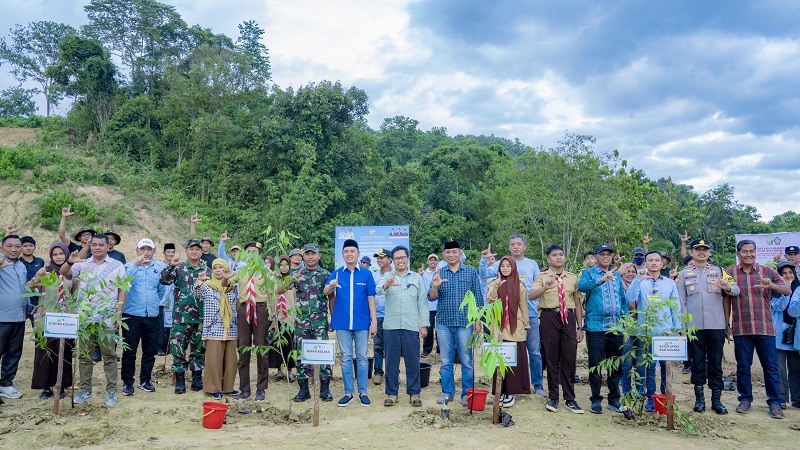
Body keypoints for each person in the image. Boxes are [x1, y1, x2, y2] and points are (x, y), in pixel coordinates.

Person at [727, 239, 791, 419]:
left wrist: (772, 286)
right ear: (738, 253)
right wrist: (727, 324)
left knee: (770, 367)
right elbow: (726, 299)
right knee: (743, 367)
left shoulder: (767, 271)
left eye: (751, 251)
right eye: (744, 251)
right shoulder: (729, 273)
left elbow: (787, 290)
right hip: (741, 328)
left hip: (765, 328)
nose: (748, 254)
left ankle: (775, 403)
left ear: (755, 252)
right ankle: (745, 400)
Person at [61, 233, 127, 407]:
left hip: (107, 318)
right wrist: (70, 261)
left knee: (110, 356)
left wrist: (118, 313)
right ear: (90, 246)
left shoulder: (117, 265)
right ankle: (85, 391)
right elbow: (64, 273)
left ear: (108, 246)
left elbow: (122, 290)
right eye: (94, 245)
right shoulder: (82, 264)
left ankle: (111, 392)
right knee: (84, 356)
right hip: (86, 318)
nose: (97, 247)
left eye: (101, 245)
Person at [677, 239, 737, 414]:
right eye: (698, 250)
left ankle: (716, 400)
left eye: (705, 250)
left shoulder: (719, 271)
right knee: (697, 363)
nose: (702, 253)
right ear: (692, 252)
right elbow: (681, 301)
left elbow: (736, 289)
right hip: (694, 326)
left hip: (716, 324)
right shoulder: (684, 273)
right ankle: (700, 400)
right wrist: (684, 326)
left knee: (716, 362)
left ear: (709, 253)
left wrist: (728, 287)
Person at [480, 234, 543, 396]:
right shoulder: (501, 263)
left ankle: (537, 384)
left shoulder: (532, 264)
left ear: (525, 247)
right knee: (507, 352)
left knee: (533, 351)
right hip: (504, 319)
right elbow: (484, 275)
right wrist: (483, 260)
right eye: (512, 244)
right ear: (509, 247)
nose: (516, 246)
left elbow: (538, 284)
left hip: (528, 314)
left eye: (519, 244)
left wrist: (538, 310)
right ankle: (505, 388)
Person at [430, 240, 485, 407]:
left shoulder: (470, 272)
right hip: (443, 323)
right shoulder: (440, 273)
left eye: (455, 252)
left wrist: (478, 321)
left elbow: (478, 297)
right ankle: (448, 392)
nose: (451, 255)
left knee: (466, 361)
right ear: (443, 255)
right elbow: (432, 297)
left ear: (460, 254)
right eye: (448, 252)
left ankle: (467, 394)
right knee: (446, 361)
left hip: (465, 323)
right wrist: (435, 286)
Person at [626, 250, 682, 412]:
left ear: (662, 263)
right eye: (650, 260)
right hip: (646, 332)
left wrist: (677, 329)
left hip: (665, 332)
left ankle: (665, 397)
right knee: (649, 366)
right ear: (645, 263)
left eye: (657, 260)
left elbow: (675, 307)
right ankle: (650, 398)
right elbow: (630, 299)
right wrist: (638, 279)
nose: (654, 263)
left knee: (666, 366)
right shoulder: (641, 281)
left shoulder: (670, 283)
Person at [530, 245, 583, 413]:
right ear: (548, 259)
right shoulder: (542, 276)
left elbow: (578, 302)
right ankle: (553, 397)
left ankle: (570, 398)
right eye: (554, 255)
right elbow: (531, 296)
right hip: (549, 316)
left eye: (561, 254)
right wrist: (545, 287)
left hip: (568, 316)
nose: (558, 257)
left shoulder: (572, 278)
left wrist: (580, 327)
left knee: (569, 358)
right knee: (552, 358)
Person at [325, 240, 377, 407]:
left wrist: (374, 321)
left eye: (352, 251)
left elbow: (371, 298)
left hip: (362, 322)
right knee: (346, 358)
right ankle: (348, 393)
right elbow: (326, 292)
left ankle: (363, 392)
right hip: (342, 323)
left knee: (362, 357)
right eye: (346, 251)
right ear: (342, 254)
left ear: (358, 254)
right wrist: (331, 286)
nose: (349, 254)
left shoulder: (366, 274)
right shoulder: (337, 273)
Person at [578, 243, 628, 414]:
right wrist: (601, 279)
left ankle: (614, 400)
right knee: (596, 364)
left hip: (615, 328)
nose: (605, 257)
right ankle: (596, 400)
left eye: (608, 254)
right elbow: (582, 287)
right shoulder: (589, 273)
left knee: (615, 364)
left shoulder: (617, 276)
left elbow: (622, 298)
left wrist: (625, 319)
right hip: (596, 327)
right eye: (602, 254)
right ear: (596, 256)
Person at [378, 245, 429, 407]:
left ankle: (414, 393)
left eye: (403, 257)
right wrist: (387, 285)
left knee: (413, 360)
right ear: (392, 260)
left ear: (407, 259)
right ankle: (392, 393)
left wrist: (424, 325)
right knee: (391, 362)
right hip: (391, 326)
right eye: (397, 258)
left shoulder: (416, 278)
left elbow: (422, 302)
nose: (400, 260)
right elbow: (377, 290)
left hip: (411, 325)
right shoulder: (387, 276)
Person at [281, 244, 332, 403]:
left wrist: (333, 318)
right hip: (301, 323)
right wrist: (291, 281)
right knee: (301, 355)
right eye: (307, 254)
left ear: (319, 255)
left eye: (313, 254)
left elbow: (331, 297)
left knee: (323, 353)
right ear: (303, 256)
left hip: (320, 322)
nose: (310, 257)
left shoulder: (326, 275)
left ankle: (325, 389)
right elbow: (279, 290)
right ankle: (304, 390)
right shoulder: (297, 274)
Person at [160, 239, 211, 394]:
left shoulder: (207, 270)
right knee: (178, 348)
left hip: (201, 317)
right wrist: (171, 265)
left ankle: (196, 379)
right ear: (187, 251)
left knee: (199, 349)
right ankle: (180, 380)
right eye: (191, 249)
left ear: (201, 251)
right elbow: (164, 280)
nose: (194, 251)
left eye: (197, 249)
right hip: (181, 317)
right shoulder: (180, 267)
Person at [222, 242, 270, 401]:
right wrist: (225, 278)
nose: (250, 254)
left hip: (261, 310)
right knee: (243, 349)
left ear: (260, 255)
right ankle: (244, 389)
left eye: (254, 252)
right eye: (248, 252)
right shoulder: (240, 271)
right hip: (243, 310)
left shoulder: (265, 271)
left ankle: (261, 389)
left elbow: (274, 292)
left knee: (261, 348)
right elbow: (226, 284)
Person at [29, 243, 74, 399]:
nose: (58, 256)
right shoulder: (46, 272)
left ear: (66, 255)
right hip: (46, 320)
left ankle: (60, 385)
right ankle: (46, 386)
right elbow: (29, 287)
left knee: (64, 354)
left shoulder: (72, 273)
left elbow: (75, 296)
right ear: (51, 256)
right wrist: (38, 276)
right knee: (45, 354)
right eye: (55, 254)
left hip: (66, 321)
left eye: (61, 253)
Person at [121, 238, 165, 396]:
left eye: (149, 249)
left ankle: (145, 380)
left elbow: (161, 290)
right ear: (136, 250)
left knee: (150, 351)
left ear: (154, 251)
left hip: (152, 315)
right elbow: (123, 283)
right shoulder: (128, 267)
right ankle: (127, 382)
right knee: (129, 351)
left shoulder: (158, 269)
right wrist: (136, 264)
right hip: (131, 316)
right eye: (142, 249)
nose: (146, 252)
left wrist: (153, 303)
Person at [487, 256, 531, 408]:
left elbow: (523, 306)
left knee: (514, 362)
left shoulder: (520, 285)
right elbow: (490, 299)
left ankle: (511, 393)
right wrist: (497, 285)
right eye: (502, 266)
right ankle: (500, 391)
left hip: (514, 328)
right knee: (500, 360)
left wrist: (525, 324)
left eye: (508, 266)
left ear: (513, 268)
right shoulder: (494, 283)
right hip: (498, 327)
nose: (505, 268)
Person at [195, 259, 238, 400]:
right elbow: (197, 296)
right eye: (215, 268)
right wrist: (199, 282)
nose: (218, 270)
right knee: (213, 361)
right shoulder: (207, 286)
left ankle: (227, 388)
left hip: (230, 328)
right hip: (213, 329)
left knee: (231, 361)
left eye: (221, 267)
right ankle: (214, 388)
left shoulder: (233, 286)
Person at [0, 234, 32, 400]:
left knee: (13, 353)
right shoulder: (1, 261)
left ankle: (6, 384)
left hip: (19, 317)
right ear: (2, 248)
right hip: (2, 318)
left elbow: (23, 288)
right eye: (9, 246)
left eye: (17, 246)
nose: (13, 249)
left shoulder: (21, 266)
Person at [773, 260, 800, 409]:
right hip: (779, 334)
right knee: (779, 369)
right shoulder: (773, 290)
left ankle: (797, 398)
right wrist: (786, 289)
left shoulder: (799, 289)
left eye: (790, 273)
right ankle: (781, 398)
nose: (788, 276)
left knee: (795, 369)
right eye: (784, 273)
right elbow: (780, 306)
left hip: (796, 335)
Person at [272, 255, 296, 382]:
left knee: (289, 345)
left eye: (286, 264)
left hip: (289, 318)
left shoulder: (293, 280)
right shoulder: (274, 280)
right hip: (277, 315)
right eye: (281, 264)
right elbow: (272, 296)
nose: (284, 267)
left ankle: (290, 371)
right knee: (278, 344)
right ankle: (279, 371)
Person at [371, 248, 392, 386]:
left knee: (392, 346)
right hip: (378, 315)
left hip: (392, 315)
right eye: (378, 258)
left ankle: (391, 372)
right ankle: (378, 372)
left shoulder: (396, 274)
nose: (379, 260)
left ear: (390, 259)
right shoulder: (373, 275)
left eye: (382, 257)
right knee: (378, 345)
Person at [19, 235, 45, 326]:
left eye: (30, 246)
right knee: (18, 327)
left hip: (36, 300)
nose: (28, 248)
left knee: (38, 326)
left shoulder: (40, 261)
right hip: (21, 299)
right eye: (25, 246)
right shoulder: (17, 263)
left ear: (35, 248)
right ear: (21, 248)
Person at [157, 243, 176, 356]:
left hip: (171, 300)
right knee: (161, 326)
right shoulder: (158, 265)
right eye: (168, 252)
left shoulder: (177, 266)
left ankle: (167, 347)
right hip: (161, 299)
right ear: (164, 253)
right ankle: (160, 347)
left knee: (168, 324)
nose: (170, 254)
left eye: (172, 252)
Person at [421, 254, 439, 357]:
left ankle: (440, 349)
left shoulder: (440, 272)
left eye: (435, 260)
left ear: (437, 262)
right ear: (428, 262)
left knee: (440, 329)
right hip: (428, 306)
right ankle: (426, 350)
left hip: (439, 305)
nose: (433, 262)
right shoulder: (424, 275)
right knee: (428, 329)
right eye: (431, 260)